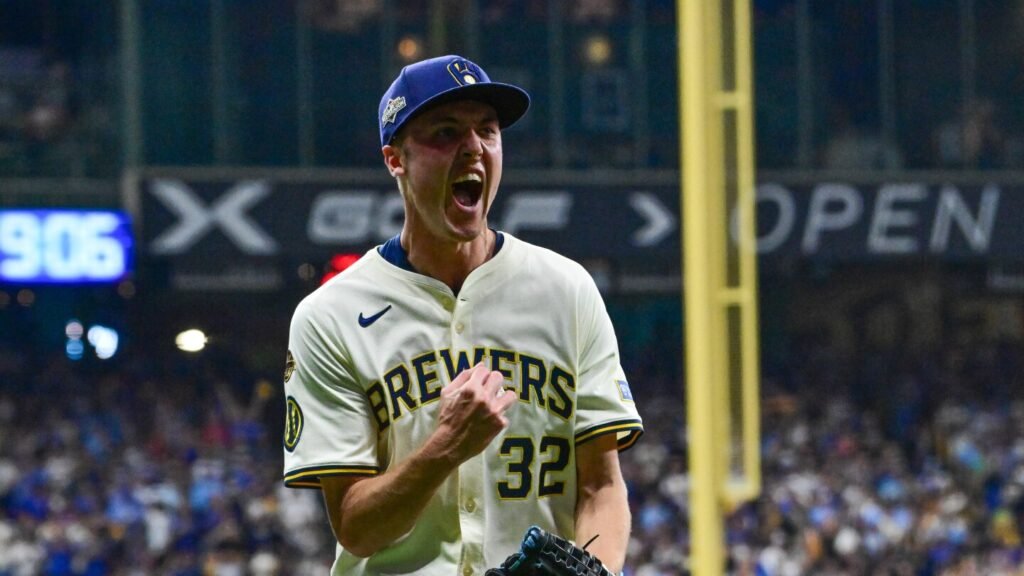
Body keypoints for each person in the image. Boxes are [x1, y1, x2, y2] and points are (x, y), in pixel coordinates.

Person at [281, 55, 643, 576]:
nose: (474, 147)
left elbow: (603, 485)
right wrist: (446, 447)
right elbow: (356, 529)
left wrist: (598, 572)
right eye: (446, 132)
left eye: (488, 131)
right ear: (395, 159)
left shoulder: (567, 290)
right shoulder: (330, 316)